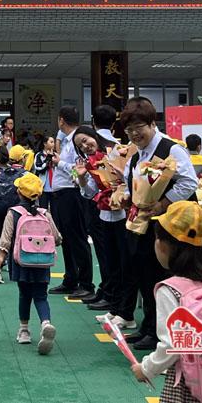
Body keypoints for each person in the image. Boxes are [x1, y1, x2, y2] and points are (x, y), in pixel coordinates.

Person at [118, 97, 199, 351]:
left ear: (153, 124)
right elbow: (133, 184)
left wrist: (162, 204)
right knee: (144, 274)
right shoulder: (136, 155)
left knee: (162, 277)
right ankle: (149, 326)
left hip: (170, 226)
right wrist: (127, 198)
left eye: (138, 128)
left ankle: (161, 332)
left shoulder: (172, 150)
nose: (134, 134)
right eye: (129, 130)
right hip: (144, 225)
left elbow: (189, 183)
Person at [131, 201, 202, 401]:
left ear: (162, 245)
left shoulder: (170, 290)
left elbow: (172, 344)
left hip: (188, 382)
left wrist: (146, 368)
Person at [0, 173, 61, 354]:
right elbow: (57, 238)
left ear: (18, 192)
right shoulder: (45, 213)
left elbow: (6, 238)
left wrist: (0, 258)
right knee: (41, 295)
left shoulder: (13, 213)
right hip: (43, 261)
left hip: (21, 261)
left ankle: (24, 330)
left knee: (24, 294)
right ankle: (45, 323)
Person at [73, 125, 132, 328]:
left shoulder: (116, 153)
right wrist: (82, 177)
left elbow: (131, 181)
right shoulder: (90, 163)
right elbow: (89, 193)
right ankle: (115, 309)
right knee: (111, 264)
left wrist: (121, 179)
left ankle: (126, 313)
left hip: (123, 214)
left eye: (85, 140)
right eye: (80, 145)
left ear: (94, 136)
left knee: (125, 266)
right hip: (106, 215)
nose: (85, 146)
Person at [48, 106, 92, 298]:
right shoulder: (67, 141)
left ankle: (86, 283)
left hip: (72, 194)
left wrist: (60, 163)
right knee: (67, 239)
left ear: (61, 120)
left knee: (77, 238)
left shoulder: (77, 141)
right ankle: (71, 279)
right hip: (62, 195)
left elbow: (80, 169)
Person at [0, 146, 27, 284]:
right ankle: (15, 269)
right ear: (22, 159)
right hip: (16, 210)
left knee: (0, 238)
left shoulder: (0, 174)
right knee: (17, 238)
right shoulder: (26, 175)